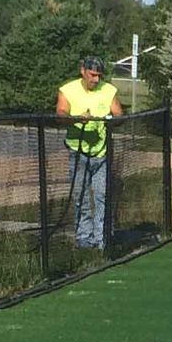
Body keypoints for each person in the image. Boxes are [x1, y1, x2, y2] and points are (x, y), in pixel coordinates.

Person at [55, 52, 122, 250]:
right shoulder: (68, 90)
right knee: (81, 196)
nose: (95, 79)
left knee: (102, 195)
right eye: (92, 75)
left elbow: (118, 113)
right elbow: (60, 114)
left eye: (99, 75)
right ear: (82, 71)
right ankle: (84, 238)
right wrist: (77, 119)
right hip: (78, 152)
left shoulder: (108, 90)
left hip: (101, 152)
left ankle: (101, 238)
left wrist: (111, 119)